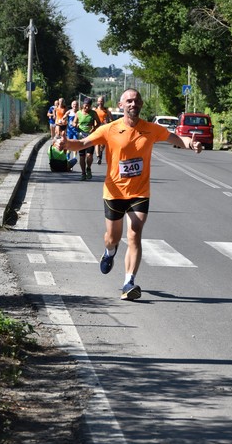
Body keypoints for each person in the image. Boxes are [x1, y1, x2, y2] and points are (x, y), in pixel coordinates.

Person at [54, 88, 202, 300]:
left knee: (134, 233)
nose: (133, 104)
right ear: (121, 105)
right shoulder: (109, 129)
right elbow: (84, 143)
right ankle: (110, 251)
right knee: (112, 237)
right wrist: (67, 144)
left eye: (137, 101)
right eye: (129, 101)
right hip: (114, 192)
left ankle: (128, 282)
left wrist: (190, 144)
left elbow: (175, 139)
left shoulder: (151, 129)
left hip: (139, 192)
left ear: (141, 105)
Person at [72, 97, 99, 180]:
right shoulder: (78, 113)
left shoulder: (93, 113)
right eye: (85, 105)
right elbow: (74, 122)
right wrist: (75, 125)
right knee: (82, 156)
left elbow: (99, 123)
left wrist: (94, 128)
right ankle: (83, 173)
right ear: (83, 105)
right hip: (81, 136)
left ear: (90, 106)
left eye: (88, 106)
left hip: (90, 136)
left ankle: (88, 168)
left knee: (89, 155)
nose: (86, 107)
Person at [95, 95, 112, 164]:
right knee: (97, 143)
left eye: (101, 101)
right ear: (97, 102)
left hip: (105, 128)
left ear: (103, 102)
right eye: (99, 101)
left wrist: (108, 122)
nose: (100, 102)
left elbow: (112, 120)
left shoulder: (106, 111)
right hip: (97, 128)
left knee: (103, 144)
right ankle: (98, 157)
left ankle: (100, 152)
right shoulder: (95, 111)